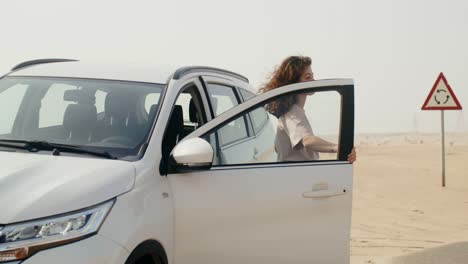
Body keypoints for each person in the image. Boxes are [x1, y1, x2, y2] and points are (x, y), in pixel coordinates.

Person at [260, 55, 357, 163]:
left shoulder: (295, 111)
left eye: (312, 76)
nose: (313, 80)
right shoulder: (292, 113)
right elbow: (307, 140)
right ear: (294, 82)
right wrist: (338, 148)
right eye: (307, 77)